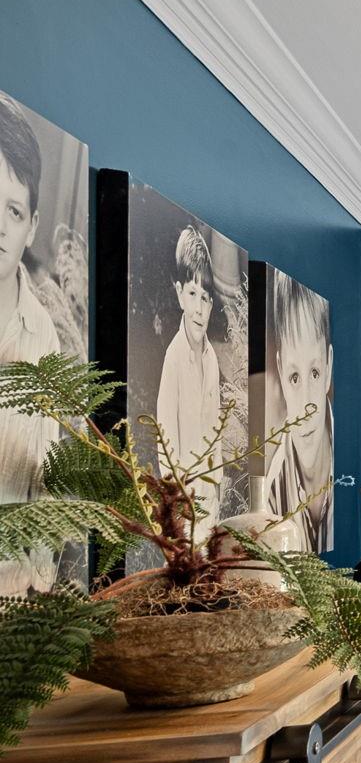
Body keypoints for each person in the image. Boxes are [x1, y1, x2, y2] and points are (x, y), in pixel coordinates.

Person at [0, 96, 61, 593]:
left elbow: (46, 484)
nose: (0, 225)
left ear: (31, 227)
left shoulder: (45, 338)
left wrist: (40, 590)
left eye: (14, 210)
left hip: (15, 606)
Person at [156, 225, 224, 534]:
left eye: (206, 297)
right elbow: (165, 436)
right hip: (184, 499)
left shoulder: (211, 359)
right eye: (193, 294)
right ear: (180, 294)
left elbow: (216, 427)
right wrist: (176, 498)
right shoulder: (173, 358)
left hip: (211, 495)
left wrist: (218, 483)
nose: (199, 307)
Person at [260, 277, 333, 552]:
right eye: (293, 377)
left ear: (329, 367)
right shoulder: (273, 495)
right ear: (280, 372)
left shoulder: (349, 458)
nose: (306, 404)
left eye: (314, 373)